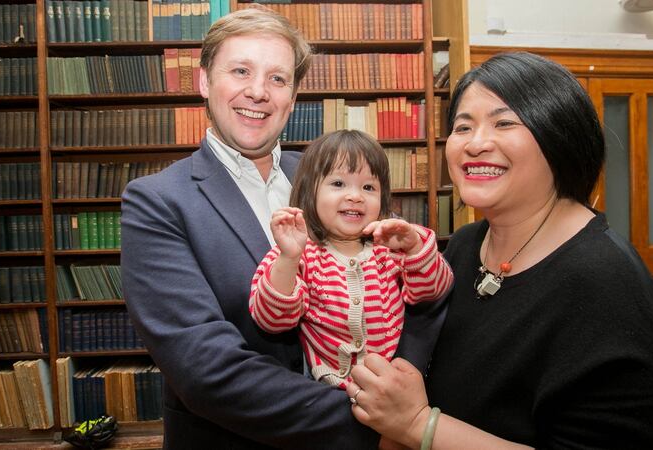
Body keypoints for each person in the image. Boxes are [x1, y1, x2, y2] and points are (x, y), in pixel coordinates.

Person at [120, 8, 446, 449]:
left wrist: (402, 388)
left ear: (293, 97)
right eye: (240, 71)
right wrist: (381, 424)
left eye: (277, 79)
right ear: (203, 81)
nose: (258, 92)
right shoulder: (157, 200)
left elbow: (411, 294)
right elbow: (205, 369)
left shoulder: (337, 179)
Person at [345, 52, 653, 449]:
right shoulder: (463, 247)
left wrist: (418, 425)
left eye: (504, 122)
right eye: (463, 127)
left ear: (559, 136)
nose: (475, 144)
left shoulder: (609, 288)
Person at [249, 130, 454, 389]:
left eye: (368, 187)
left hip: (395, 388)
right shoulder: (299, 254)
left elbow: (434, 289)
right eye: (338, 184)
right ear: (309, 191)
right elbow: (271, 320)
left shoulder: (390, 248)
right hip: (326, 393)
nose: (355, 196)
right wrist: (288, 259)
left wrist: (414, 248)